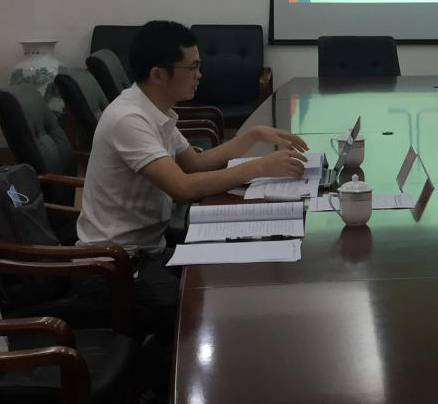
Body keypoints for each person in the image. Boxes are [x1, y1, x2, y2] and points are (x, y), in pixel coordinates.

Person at [78, 20, 308, 340]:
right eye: (192, 67)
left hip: (148, 251)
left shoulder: (155, 109)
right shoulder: (129, 119)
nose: (199, 75)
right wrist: (259, 167)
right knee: (206, 309)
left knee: (229, 276)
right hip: (114, 270)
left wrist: (254, 135)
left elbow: (196, 164)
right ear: (158, 74)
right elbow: (183, 188)